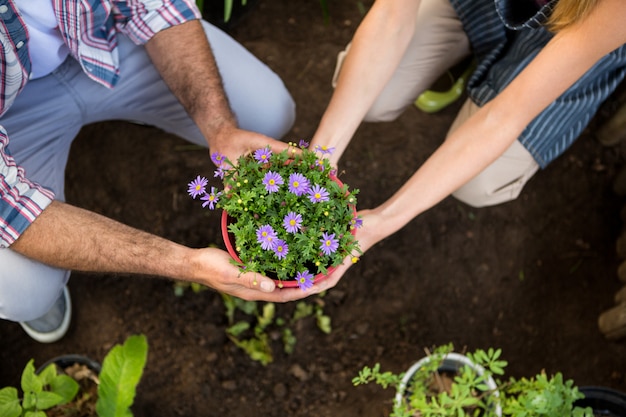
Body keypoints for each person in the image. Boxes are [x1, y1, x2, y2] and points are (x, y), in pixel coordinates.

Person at [0, 0, 308, 344]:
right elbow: (9, 208)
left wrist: (220, 127)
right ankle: (46, 289)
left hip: (101, 40)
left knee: (267, 115)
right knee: (24, 289)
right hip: (13, 115)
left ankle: (137, 108)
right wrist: (187, 263)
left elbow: (158, 5)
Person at [306, 0, 626, 291]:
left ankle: (489, 69)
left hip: (583, 32)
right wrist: (319, 160)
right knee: (374, 96)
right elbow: (391, 16)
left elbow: (505, 116)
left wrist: (383, 220)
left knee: (478, 181)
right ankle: (464, 58)